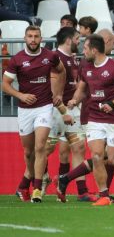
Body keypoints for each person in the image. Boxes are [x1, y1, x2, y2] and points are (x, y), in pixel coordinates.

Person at [54, 29, 114, 203]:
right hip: (93, 117)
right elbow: (82, 89)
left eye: (85, 48)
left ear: (94, 50)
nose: (82, 50)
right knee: (97, 156)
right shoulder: (85, 66)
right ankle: (104, 196)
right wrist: (73, 100)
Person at [2, 25, 66, 202]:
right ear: (25, 38)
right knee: (29, 151)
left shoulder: (50, 56)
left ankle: (37, 188)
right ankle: (24, 186)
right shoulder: (17, 59)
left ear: (41, 38)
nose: (33, 39)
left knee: (40, 147)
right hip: (24, 110)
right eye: (30, 36)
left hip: (44, 107)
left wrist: (59, 93)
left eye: (36, 36)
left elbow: (61, 71)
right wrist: (20, 95)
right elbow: (5, 84)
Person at [45, 27, 98, 202]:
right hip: (55, 110)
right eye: (77, 39)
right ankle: (31, 183)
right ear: (68, 40)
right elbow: (52, 91)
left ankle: (81, 192)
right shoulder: (55, 58)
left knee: (79, 148)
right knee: (44, 150)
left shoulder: (71, 59)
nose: (79, 42)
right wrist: (63, 109)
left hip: (71, 109)